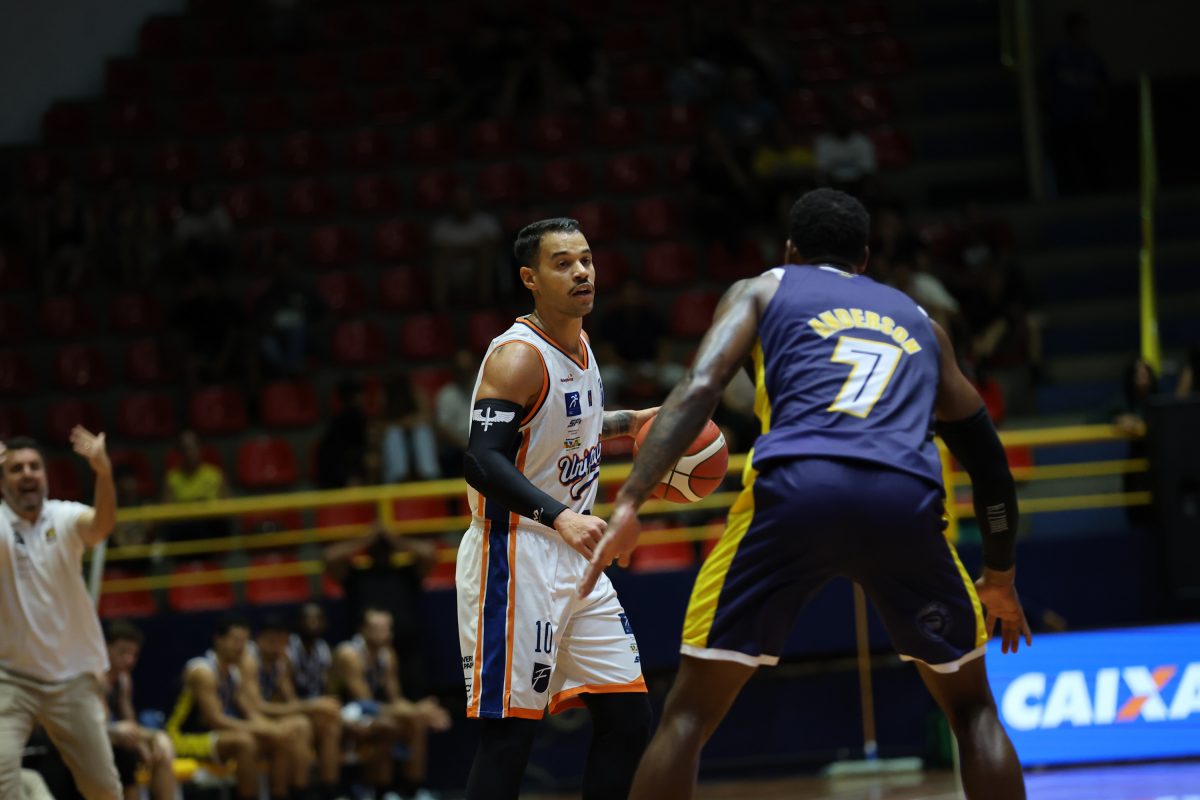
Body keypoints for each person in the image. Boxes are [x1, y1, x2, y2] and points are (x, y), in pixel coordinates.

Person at [581, 189, 1031, 800]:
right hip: (904, 497)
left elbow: (702, 384)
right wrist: (999, 576)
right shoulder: (922, 323)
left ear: (790, 250)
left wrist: (631, 500)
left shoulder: (763, 289)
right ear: (864, 259)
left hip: (797, 489)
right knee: (974, 710)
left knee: (688, 715)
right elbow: (989, 462)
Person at [456, 218, 657, 800]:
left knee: (628, 718)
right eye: (563, 263)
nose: (581, 272)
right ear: (530, 278)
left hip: (574, 557)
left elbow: (568, 426)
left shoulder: (583, 345)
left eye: (586, 260)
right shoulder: (518, 358)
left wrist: (631, 423)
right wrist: (560, 516)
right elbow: (482, 461)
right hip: (514, 553)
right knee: (509, 737)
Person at [0, 430, 122, 800]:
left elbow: (101, 526)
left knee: (103, 788)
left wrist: (104, 473)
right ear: (2, 482)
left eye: (34, 466)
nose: (27, 474)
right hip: (10, 678)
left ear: (45, 475)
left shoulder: (64, 515)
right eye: (16, 468)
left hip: (70, 676)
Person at [165, 614, 309, 800]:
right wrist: (263, 729)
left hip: (215, 735)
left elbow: (249, 712)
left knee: (279, 738)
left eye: (244, 641)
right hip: (181, 738)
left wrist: (273, 729)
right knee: (245, 742)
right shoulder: (203, 672)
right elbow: (216, 720)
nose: (240, 646)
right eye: (235, 640)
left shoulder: (234, 672)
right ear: (218, 640)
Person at [332, 608, 450, 800]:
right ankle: (375, 790)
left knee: (416, 722)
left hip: (373, 710)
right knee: (387, 725)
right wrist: (416, 710)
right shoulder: (349, 654)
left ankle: (413, 790)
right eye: (376, 628)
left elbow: (395, 698)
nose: (383, 633)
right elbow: (364, 701)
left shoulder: (387, 654)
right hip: (343, 712)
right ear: (362, 629)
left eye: (387, 628)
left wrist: (418, 712)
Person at [246, 615, 342, 800]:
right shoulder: (249, 660)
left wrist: (314, 708)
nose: (277, 647)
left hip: (266, 716)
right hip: (247, 718)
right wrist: (311, 705)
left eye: (282, 642)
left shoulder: (280, 660)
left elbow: (291, 700)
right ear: (259, 640)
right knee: (297, 727)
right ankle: (294, 793)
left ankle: (326, 791)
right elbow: (256, 707)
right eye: (272, 642)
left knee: (324, 722)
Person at [104, 622, 176, 800]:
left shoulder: (123, 680)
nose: (129, 660)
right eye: (123, 652)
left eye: (133, 654)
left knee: (161, 750)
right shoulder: (94, 678)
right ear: (105, 648)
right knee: (126, 755)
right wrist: (142, 739)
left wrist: (146, 740)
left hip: (116, 741)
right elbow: (96, 728)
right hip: (94, 742)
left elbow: (130, 722)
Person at [289, 602, 336, 702]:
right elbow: (288, 694)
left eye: (318, 619)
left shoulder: (323, 648)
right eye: (309, 619)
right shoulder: (288, 647)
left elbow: (328, 684)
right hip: (296, 703)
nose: (314, 624)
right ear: (299, 622)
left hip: (317, 700)